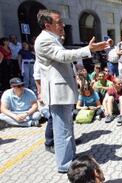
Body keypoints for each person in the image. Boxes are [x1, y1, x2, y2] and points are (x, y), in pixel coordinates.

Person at [34, 9, 109, 173]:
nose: (63, 24)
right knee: (62, 131)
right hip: (58, 94)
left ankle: (70, 157)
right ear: (48, 25)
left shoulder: (52, 38)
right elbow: (63, 56)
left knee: (67, 129)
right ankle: (65, 164)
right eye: (59, 22)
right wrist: (89, 50)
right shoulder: (44, 40)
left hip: (63, 92)